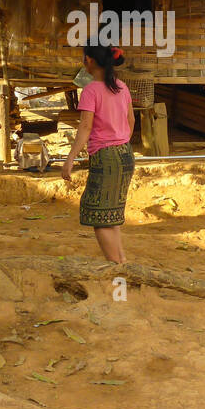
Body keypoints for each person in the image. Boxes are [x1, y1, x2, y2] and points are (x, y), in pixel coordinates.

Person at [61, 44, 134, 263]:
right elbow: (130, 121)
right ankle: (121, 265)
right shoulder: (122, 87)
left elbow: (85, 127)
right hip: (126, 155)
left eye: (84, 58)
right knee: (110, 215)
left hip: (106, 157)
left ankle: (116, 267)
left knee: (98, 215)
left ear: (90, 61)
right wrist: (121, 141)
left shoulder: (91, 90)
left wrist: (70, 158)